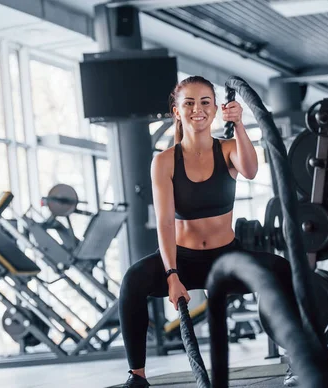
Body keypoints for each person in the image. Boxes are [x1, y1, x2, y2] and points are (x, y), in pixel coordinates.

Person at [118, 76, 295, 388]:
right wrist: (171, 274)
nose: (197, 109)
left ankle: (293, 359)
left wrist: (240, 124)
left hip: (226, 259)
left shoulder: (227, 150)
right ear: (176, 111)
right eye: (189, 103)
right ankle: (137, 376)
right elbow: (165, 222)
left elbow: (251, 170)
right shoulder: (164, 161)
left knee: (280, 271)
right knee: (134, 280)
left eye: (204, 103)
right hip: (182, 260)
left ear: (216, 110)